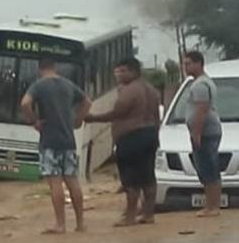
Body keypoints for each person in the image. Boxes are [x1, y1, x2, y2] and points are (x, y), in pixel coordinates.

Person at [85, 57, 161, 227]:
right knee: (148, 177)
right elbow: (156, 117)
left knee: (131, 179)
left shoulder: (130, 90)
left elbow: (117, 114)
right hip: (150, 134)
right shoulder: (151, 90)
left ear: (133, 71)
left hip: (132, 137)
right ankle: (148, 214)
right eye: (117, 71)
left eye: (122, 71)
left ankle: (130, 216)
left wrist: (93, 118)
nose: (118, 75)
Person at [20, 58, 92, 234]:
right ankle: (80, 223)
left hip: (49, 141)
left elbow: (25, 103)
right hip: (68, 140)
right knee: (72, 181)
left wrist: (33, 121)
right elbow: (87, 102)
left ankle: (60, 224)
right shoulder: (68, 85)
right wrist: (77, 120)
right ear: (55, 67)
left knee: (55, 183)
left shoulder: (38, 86)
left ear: (40, 69)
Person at [183, 50, 223, 217]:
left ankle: (212, 206)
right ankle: (213, 205)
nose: (185, 67)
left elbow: (201, 109)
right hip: (208, 131)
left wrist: (196, 132)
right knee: (209, 168)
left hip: (206, 132)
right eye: (184, 64)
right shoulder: (203, 82)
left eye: (188, 63)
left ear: (199, 63)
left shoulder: (200, 85)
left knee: (207, 169)